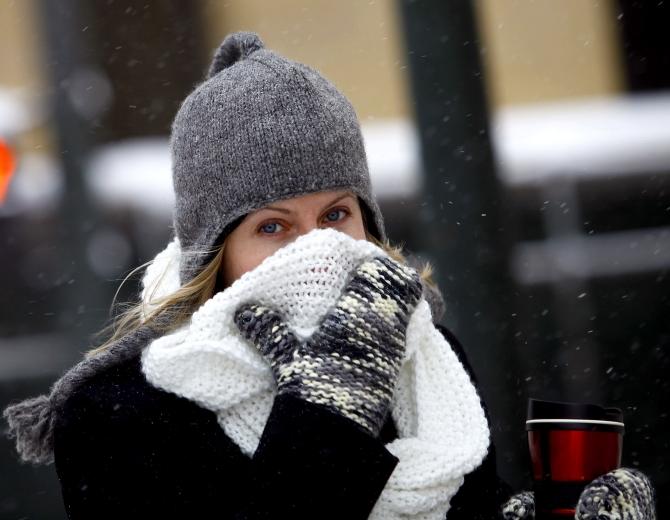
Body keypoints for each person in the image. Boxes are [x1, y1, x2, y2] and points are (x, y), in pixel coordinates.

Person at [2, 31, 655, 520]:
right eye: (273, 226)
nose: (318, 250)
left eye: (336, 214)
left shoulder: (424, 355)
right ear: (213, 253)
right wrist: (331, 403)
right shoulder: (118, 413)